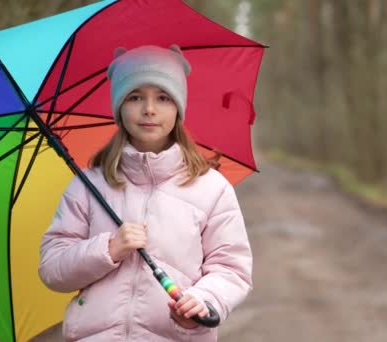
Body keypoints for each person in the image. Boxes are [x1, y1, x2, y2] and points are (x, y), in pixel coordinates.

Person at [38, 44, 253, 342]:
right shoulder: (89, 185)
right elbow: (52, 267)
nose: (149, 109)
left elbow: (231, 269)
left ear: (178, 106)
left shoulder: (211, 189)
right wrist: (108, 248)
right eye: (135, 97)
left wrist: (202, 302)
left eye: (163, 97)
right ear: (119, 107)